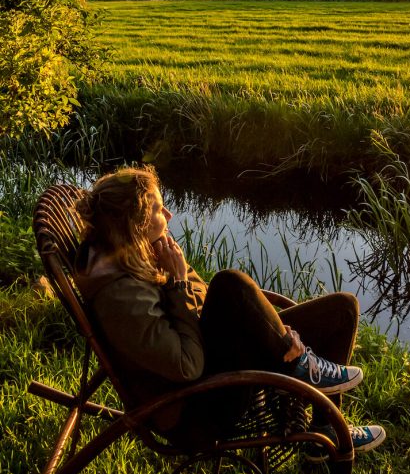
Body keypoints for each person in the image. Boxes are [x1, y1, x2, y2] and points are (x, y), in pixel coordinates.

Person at [75, 166, 386, 457]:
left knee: (343, 309)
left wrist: (270, 331)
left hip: (216, 364)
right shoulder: (119, 295)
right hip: (196, 412)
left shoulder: (140, 254)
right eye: (158, 210)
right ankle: (299, 364)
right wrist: (179, 282)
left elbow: (204, 303)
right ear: (134, 223)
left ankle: (323, 424)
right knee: (230, 283)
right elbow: (187, 366)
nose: (168, 214)